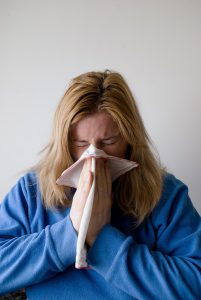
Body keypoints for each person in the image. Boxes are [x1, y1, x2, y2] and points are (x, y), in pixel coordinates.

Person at [0, 70, 200, 300]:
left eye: (109, 141)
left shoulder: (165, 194)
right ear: (64, 142)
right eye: (80, 143)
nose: (93, 155)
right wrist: (73, 232)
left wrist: (101, 240)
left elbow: (195, 284)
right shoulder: (32, 192)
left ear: (129, 139)